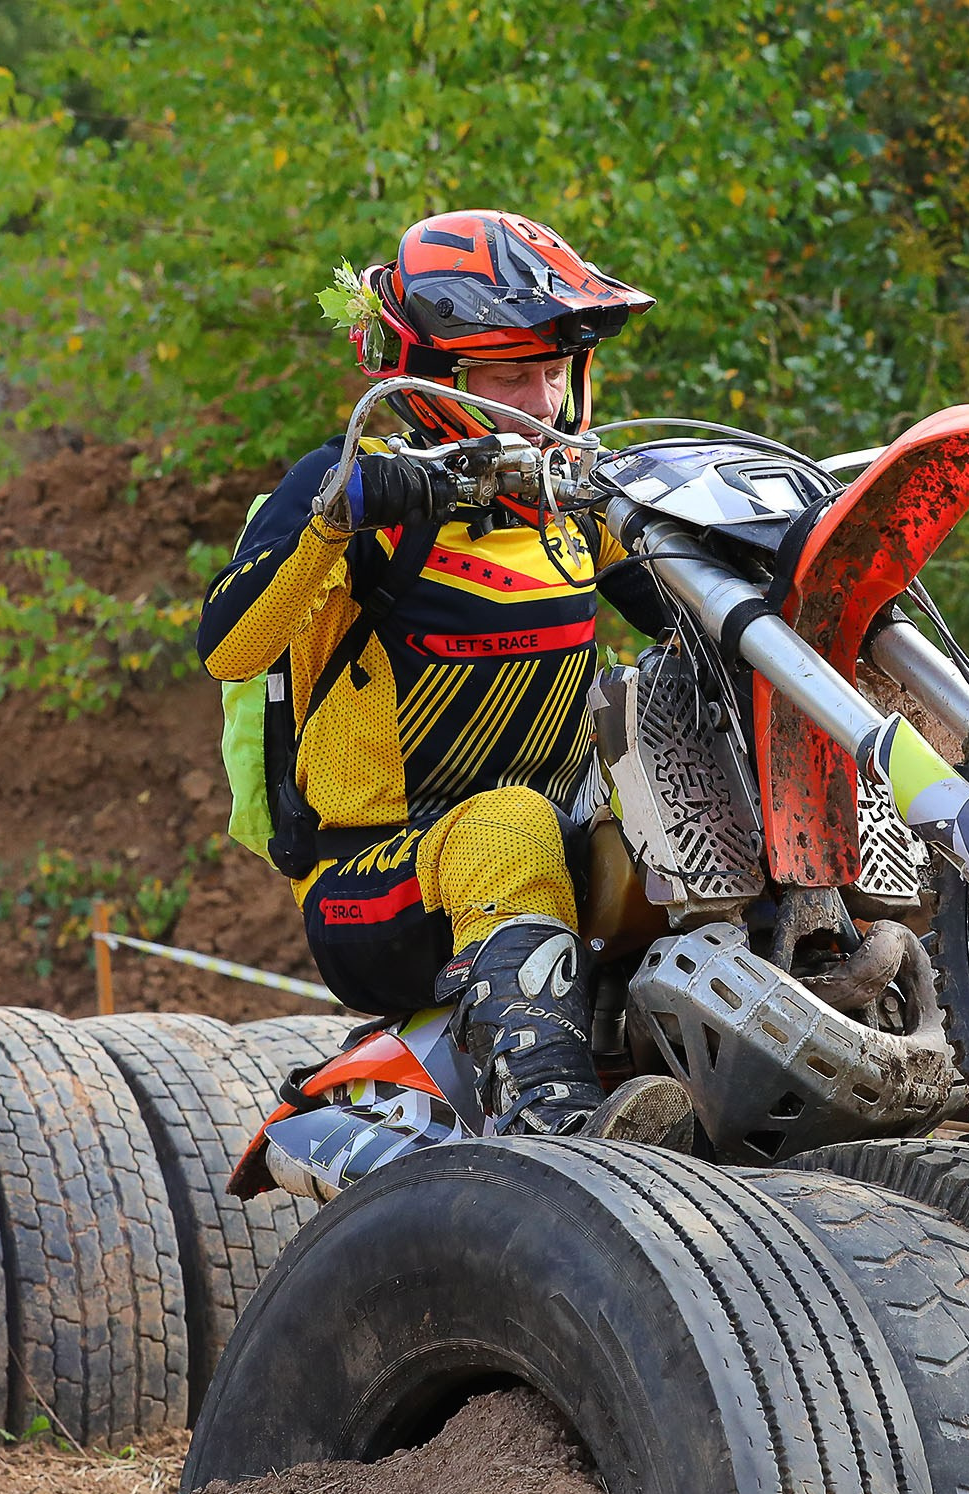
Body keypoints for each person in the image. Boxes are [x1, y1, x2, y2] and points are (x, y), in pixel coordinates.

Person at [200, 209, 679, 1139]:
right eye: (509, 374)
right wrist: (343, 512)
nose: (538, 404)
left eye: (551, 371)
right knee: (511, 821)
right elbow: (230, 647)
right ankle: (555, 1127)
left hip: (554, 848)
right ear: (428, 379)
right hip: (377, 878)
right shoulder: (346, 488)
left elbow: (689, 619)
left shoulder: (570, 503)